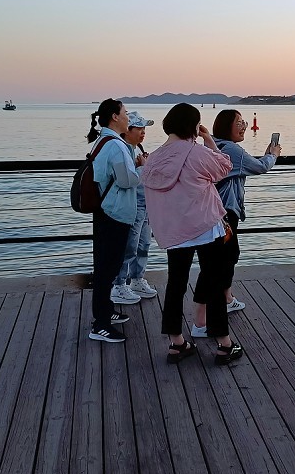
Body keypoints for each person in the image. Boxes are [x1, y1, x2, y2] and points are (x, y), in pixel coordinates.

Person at [143, 103, 243, 365]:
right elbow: (224, 166)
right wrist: (209, 138)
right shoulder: (195, 152)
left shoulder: (153, 158)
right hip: (204, 227)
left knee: (176, 284)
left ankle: (177, 343)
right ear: (193, 126)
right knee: (214, 282)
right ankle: (224, 344)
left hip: (174, 232)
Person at [190, 109, 281, 337]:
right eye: (239, 122)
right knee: (216, 266)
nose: (245, 126)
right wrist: (274, 155)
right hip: (224, 215)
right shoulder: (230, 149)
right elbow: (260, 167)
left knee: (227, 257)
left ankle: (226, 299)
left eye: (245, 122)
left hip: (211, 213)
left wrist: (261, 157)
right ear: (226, 125)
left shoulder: (214, 146)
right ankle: (202, 321)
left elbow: (246, 165)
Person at [86, 99, 143, 343]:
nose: (128, 117)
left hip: (106, 210)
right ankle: (100, 324)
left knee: (106, 266)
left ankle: (106, 311)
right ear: (114, 116)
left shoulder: (104, 140)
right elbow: (125, 180)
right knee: (107, 269)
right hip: (114, 213)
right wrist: (143, 168)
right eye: (125, 113)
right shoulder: (116, 146)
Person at [110, 111, 158, 306]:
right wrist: (143, 166)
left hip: (145, 204)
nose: (143, 132)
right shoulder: (123, 150)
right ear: (127, 130)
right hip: (133, 205)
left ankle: (137, 279)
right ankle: (119, 284)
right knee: (129, 246)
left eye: (144, 128)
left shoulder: (136, 149)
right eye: (139, 128)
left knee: (144, 244)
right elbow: (125, 179)